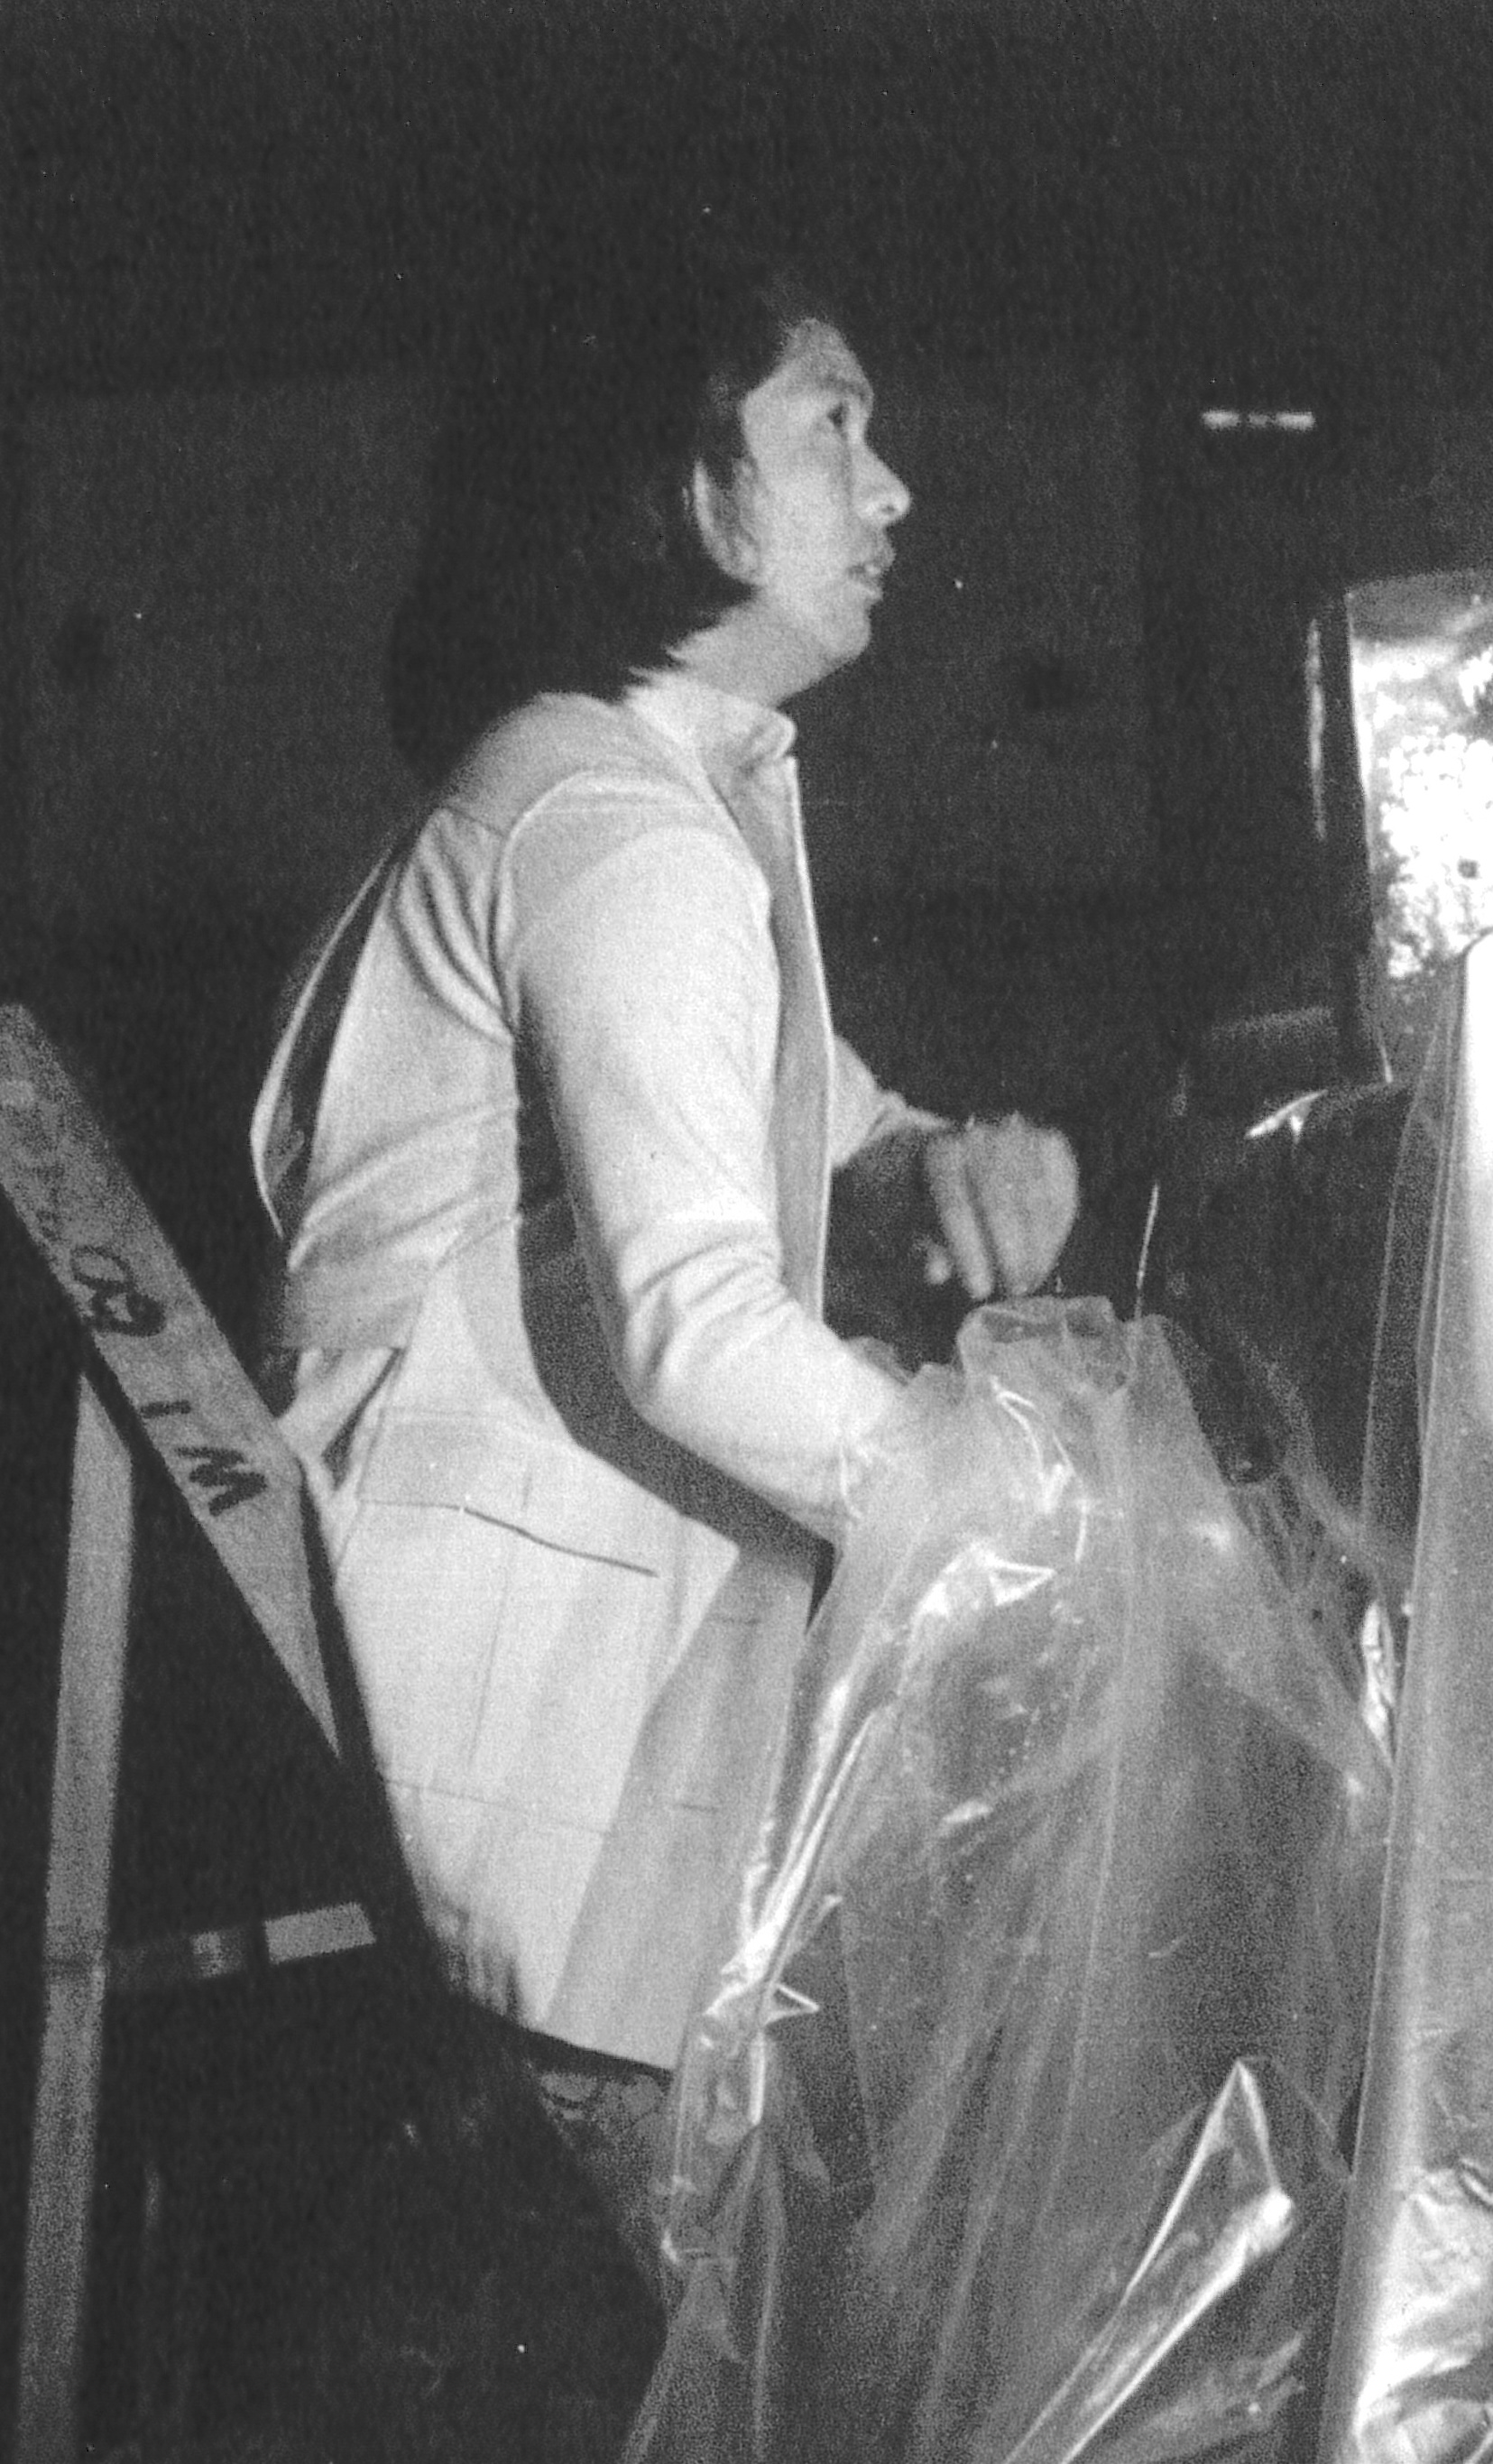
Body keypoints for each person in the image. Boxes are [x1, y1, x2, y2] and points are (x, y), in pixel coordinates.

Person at [253, 229, 1077, 2270]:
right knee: (820, 2365)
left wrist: (936, 1166)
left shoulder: (608, 783)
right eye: (834, 428)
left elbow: (800, 1121)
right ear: (683, 483)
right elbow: (699, 1322)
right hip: (539, 1719)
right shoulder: (616, 829)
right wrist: (1020, 1503)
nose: (889, 492)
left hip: (537, 1648)